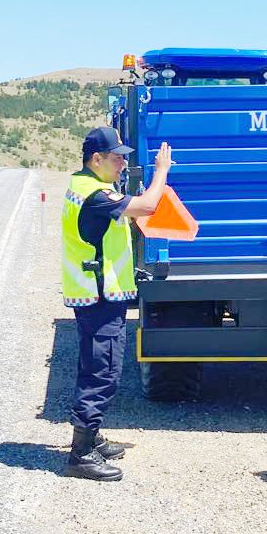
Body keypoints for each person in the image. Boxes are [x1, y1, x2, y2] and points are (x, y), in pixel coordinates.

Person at [60, 126, 174, 482]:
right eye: (117, 158)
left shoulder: (90, 186)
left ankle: (92, 438)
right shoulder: (93, 193)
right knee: (101, 371)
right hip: (99, 296)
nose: (123, 164)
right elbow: (148, 206)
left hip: (98, 293)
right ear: (97, 159)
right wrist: (161, 172)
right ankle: (81, 455)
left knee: (96, 365)